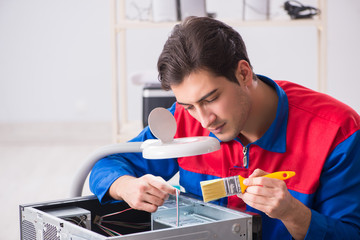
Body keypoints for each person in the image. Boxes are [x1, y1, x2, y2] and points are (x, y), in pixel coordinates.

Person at [89, 17, 360, 239]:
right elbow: (108, 165)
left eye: (211, 99)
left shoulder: (338, 132)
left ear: (243, 73)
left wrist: (293, 213)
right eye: (189, 105)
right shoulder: (185, 117)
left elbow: (351, 233)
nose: (204, 120)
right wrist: (127, 186)